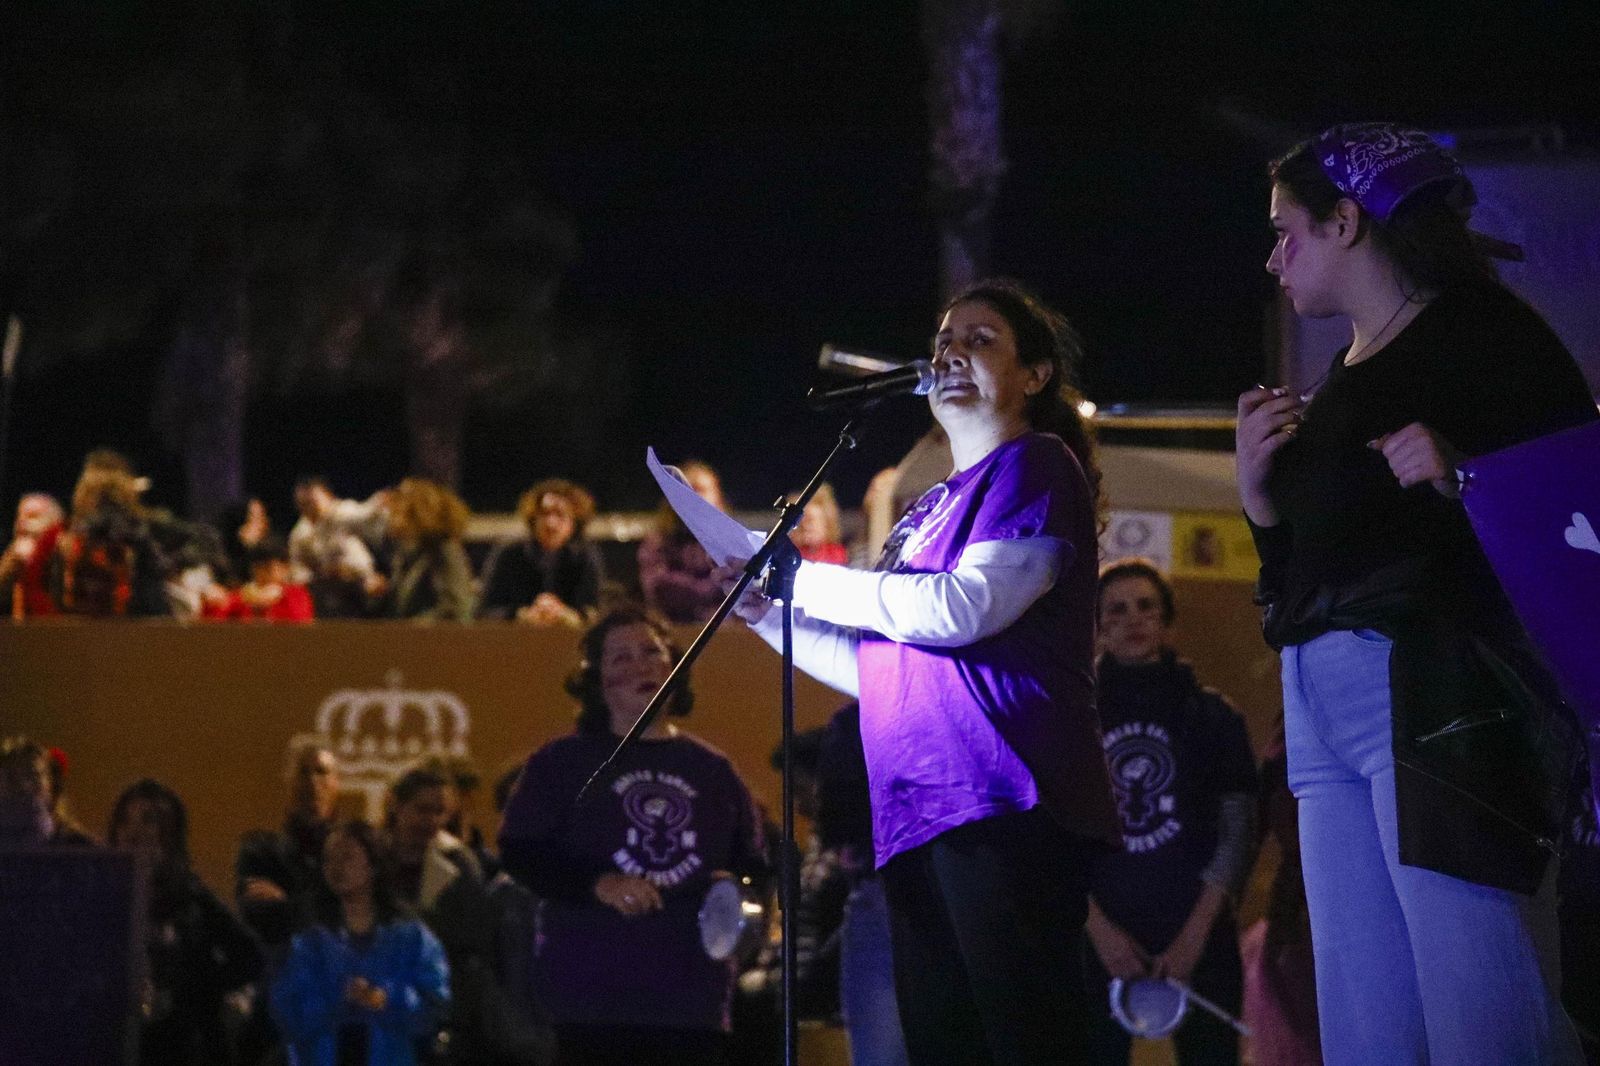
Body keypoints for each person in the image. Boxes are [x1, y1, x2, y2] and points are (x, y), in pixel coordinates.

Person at [1240, 123, 1596, 1065]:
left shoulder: (1484, 329)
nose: (1276, 256)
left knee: (1482, 996)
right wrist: (1258, 499)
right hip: (1321, 707)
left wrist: (1467, 475)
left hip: (1439, 694)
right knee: (1364, 1017)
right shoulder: (1341, 374)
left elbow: (1579, 498)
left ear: (1347, 222)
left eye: (1289, 231)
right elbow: (1294, 582)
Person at [727, 279, 1121, 1064]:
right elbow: (881, 664)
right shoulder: (926, 510)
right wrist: (771, 617)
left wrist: (804, 579)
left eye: (981, 340)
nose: (951, 353)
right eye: (945, 339)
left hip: (1004, 801)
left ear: (1034, 376)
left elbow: (963, 609)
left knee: (1026, 1042)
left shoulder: (1035, 465)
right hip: (915, 808)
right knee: (946, 1046)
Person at [497, 605, 768, 1065]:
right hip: (589, 999)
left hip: (691, 1001)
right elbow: (520, 851)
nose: (641, 665)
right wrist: (597, 884)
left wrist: (734, 897)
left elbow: (754, 866)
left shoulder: (714, 770)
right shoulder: (562, 763)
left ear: (675, 667)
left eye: (652, 652)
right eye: (621, 658)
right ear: (596, 681)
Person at [1084, 560, 1259, 1065]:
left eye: (1146, 607)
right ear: (1096, 626)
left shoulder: (1212, 715)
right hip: (1099, 938)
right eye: (1116, 610)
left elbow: (1238, 828)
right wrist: (1099, 931)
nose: (1133, 619)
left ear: (1166, 620)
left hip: (1198, 934)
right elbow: (1053, 836)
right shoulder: (1072, 716)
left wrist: (1195, 936)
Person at [109, 778, 264, 1066]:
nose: (133, 833)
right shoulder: (103, 897)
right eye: (125, 821)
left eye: (148, 822)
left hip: (184, 1046)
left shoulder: (191, 897)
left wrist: (195, 989)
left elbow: (249, 955)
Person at [270, 819, 450, 1066]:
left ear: (373, 865)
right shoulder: (309, 940)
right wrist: (337, 998)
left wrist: (386, 998)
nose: (335, 868)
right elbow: (287, 1009)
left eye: (347, 857)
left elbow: (435, 1005)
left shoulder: (410, 937)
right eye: (328, 859)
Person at [236, 743, 344, 1063]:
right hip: (275, 1019)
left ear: (337, 783)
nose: (312, 783)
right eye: (303, 772)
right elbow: (259, 915)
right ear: (287, 781)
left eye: (322, 772)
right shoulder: (260, 850)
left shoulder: (351, 853)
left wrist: (288, 904)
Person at [385, 764, 495, 1062]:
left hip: (438, 1011)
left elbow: (471, 945)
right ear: (397, 805)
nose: (431, 821)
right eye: (422, 809)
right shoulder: (371, 859)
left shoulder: (458, 864)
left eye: (440, 811)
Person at [478, 479, 606, 626]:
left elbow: (596, 612)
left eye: (560, 515)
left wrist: (567, 615)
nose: (551, 523)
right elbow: (485, 611)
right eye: (544, 514)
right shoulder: (509, 553)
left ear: (574, 522)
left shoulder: (586, 556)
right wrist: (522, 615)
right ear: (533, 518)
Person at [373, 478, 475, 622]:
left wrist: (409, 629)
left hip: (433, 641)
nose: (391, 508)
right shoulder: (404, 554)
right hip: (405, 640)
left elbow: (455, 608)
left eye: (401, 501)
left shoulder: (444, 552)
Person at [637, 461, 727, 623]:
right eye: (689, 488)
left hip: (725, 631)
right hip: (672, 628)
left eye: (702, 489)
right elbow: (659, 586)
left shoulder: (729, 540)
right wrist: (710, 589)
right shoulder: (659, 540)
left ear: (717, 495)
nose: (696, 496)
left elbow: (742, 583)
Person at [288, 478, 386, 618]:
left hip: (362, 580)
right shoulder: (300, 534)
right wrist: (319, 574)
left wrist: (379, 500)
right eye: (303, 504)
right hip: (325, 588)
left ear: (328, 497)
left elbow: (366, 514)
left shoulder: (343, 513)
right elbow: (297, 569)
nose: (309, 508)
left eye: (313, 502)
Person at [0, 736, 94, 846]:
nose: (24, 786)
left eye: (32, 775)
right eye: (12, 778)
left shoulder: (81, 849)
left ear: (51, 785)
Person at [204, 535, 316, 622]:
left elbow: (301, 623)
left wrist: (273, 601)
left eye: (268, 567)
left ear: (285, 568)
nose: (262, 573)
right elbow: (217, 621)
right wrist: (213, 602)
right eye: (258, 567)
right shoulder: (242, 597)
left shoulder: (296, 594)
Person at [0, 492, 65, 618]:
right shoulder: (13, 555)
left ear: (53, 521)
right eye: (19, 515)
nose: (21, 521)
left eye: (32, 516)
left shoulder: (62, 550)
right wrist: (12, 563)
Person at [789, 483, 849, 565]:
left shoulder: (837, 555)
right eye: (800, 522)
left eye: (810, 521)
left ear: (827, 524)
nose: (805, 527)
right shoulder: (789, 556)